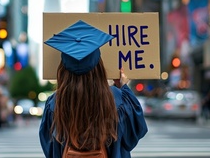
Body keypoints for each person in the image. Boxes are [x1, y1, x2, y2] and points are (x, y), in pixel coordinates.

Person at [39, 22, 148, 158]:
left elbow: (50, 151)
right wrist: (124, 88)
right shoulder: (118, 99)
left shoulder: (54, 104)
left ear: (63, 69)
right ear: (99, 67)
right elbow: (133, 136)